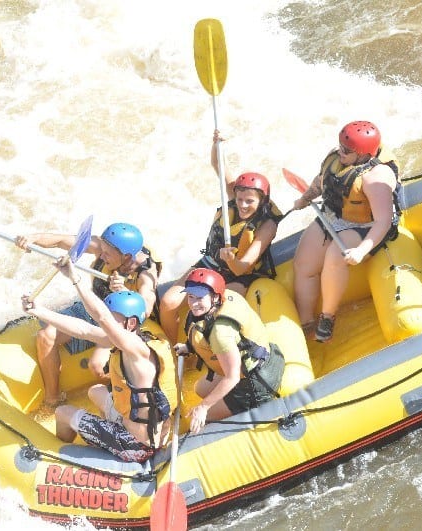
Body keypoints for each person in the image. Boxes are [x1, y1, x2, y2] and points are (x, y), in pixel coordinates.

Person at [24, 259, 177, 463]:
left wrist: (74, 278)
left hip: (136, 445)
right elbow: (83, 329)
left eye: (114, 319)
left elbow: (101, 317)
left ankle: (59, 458)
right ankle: (104, 436)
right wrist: (39, 311)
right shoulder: (127, 340)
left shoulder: (137, 349)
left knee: (63, 412)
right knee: (95, 391)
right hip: (133, 424)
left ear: (131, 323)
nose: (106, 323)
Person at [16, 223, 162, 406]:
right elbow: (61, 241)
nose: (101, 255)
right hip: (90, 307)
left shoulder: (146, 272)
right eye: (102, 250)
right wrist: (33, 238)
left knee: (98, 367)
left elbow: (146, 308)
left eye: (107, 254)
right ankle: (52, 398)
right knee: (46, 335)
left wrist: (125, 291)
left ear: (125, 256)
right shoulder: (103, 246)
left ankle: (122, 392)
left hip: (118, 323)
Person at [159, 131, 283, 343]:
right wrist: (216, 144)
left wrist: (231, 260)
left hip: (239, 275)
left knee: (213, 312)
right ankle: (172, 348)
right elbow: (218, 165)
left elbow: (242, 267)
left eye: (249, 201)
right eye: (240, 199)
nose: (242, 205)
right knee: (169, 302)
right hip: (211, 263)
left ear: (262, 201)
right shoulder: (235, 196)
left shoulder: (267, 226)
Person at [291, 120, 401, 342]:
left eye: (347, 150)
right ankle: (306, 322)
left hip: (366, 225)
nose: (340, 151)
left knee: (335, 256)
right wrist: (305, 198)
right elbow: (323, 180)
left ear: (363, 154)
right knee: (303, 263)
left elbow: (383, 221)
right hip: (335, 214)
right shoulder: (339, 157)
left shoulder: (376, 177)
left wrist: (361, 250)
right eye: (340, 146)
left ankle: (327, 316)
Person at [172, 268, 284, 434]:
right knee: (200, 389)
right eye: (191, 296)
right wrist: (188, 347)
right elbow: (205, 334)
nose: (194, 303)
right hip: (260, 361)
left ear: (215, 296)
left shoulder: (221, 333)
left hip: (256, 382)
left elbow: (232, 377)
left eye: (200, 297)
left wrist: (203, 408)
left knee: (201, 421)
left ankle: (239, 410)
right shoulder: (225, 298)